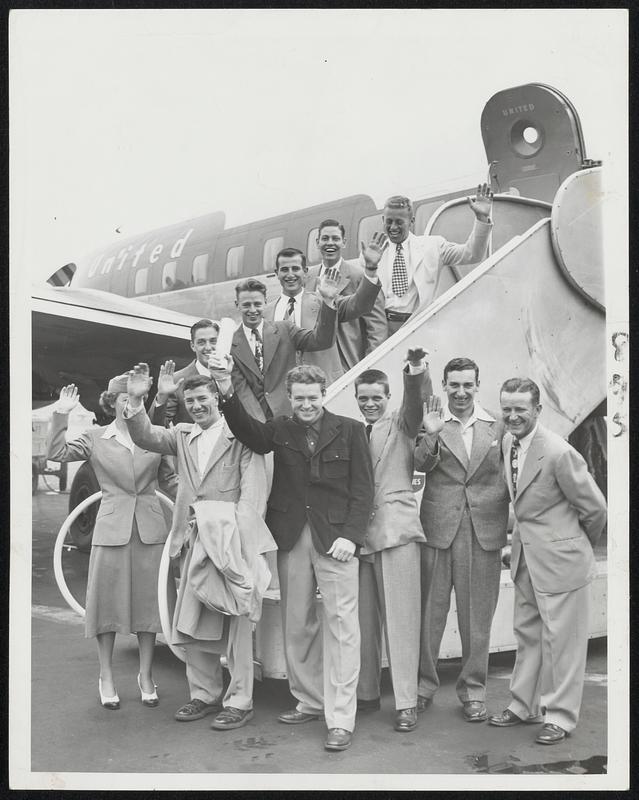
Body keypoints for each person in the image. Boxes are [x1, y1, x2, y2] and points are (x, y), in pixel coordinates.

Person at [210, 357, 374, 752]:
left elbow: (364, 491)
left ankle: (340, 718)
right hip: (291, 535)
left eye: (312, 397)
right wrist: (226, 390)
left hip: (336, 539)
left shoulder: (351, 431)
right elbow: (247, 431)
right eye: (299, 398)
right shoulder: (280, 428)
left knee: (342, 628)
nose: (305, 405)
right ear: (289, 397)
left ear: (324, 394)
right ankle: (310, 700)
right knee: (296, 623)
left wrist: (352, 536)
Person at [123, 366, 276, 732]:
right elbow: (145, 436)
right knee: (195, 619)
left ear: (217, 402)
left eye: (202, 399)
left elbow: (253, 495)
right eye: (189, 401)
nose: (196, 406)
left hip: (231, 542)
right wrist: (137, 398)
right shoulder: (182, 435)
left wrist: (236, 539)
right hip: (193, 538)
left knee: (238, 622)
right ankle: (204, 694)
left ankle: (239, 701)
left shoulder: (241, 437)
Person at [47, 378, 178, 710]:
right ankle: (106, 674)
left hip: (150, 527)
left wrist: (198, 507)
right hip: (111, 528)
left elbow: (171, 480)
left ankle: (145, 675)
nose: (129, 403)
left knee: (149, 605)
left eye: (136, 397)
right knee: (107, 604)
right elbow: (57, 453)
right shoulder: (95, 437)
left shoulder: (152, 436)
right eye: (123, 397)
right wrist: (60, 414)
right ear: (111, 401)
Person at [488, 378, 607, 745]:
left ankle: (560, 716)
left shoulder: (558, 452)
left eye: (520, 409)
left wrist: (571, 546)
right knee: (528, 634)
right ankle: (524, 704)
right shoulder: (508, 441)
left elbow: (595, 509)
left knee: (564, 643)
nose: (512, 416)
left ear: (538, 410)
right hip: (527, 559)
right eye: (507, 408)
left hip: (561, 562)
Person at [414, 357, 509, 722]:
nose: (460, 392)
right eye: (454, 384)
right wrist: (433, 433)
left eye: (467, 384)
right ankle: (422, 687)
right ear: (444, 384)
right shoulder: (434, 420)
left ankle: (473, 691)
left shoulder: (497, 425)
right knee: (429, 615)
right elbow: (419, 463)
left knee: (477, 619)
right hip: (438, 529)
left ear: (477, 384)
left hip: (483, 531)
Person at [354, 349, 432, 733]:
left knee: (401, 623)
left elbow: (414, 404)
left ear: (387, 398)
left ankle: (406, 702)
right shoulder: (354, 431)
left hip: (397, 532)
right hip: (360, 538)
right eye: (363, 398)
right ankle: (366, 693)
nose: (370, 404)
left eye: (376, 398)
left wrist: (414, 372)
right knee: (363, 622)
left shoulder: (402, 424)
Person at [370, 187, 493, 334]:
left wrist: (481, 219)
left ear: (411, 221)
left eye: (399, 222)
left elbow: (472, 254)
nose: (393, 227)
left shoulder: (433, 246)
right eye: (389, 221)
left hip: (420, 327)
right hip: (384, 331)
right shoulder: (373, 254)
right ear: (383, 220)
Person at [265, 244, 385, 385]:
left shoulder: (325, 301)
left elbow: (359, 304)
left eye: (296, 269)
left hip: (325, 388)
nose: (290, 274)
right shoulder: (266, 313)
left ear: (305, 272)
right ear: (276, 273)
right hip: (285, 395)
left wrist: (370, 270)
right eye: (284, 270)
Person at [229, 270, 340, 421]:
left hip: (293, 417)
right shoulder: (231, 343)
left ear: (265, 303)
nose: (253, 310)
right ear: (237, 305)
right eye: (246, 305)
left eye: (257, 304)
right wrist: (260, 426)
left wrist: (327, 302)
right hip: (258, 422)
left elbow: (321, 340)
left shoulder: (285, 329)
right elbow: (242, 390)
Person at [306, 219, 388, 370]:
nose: (330, 243)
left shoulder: (359, 277)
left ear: (343, 242)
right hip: (314, 365)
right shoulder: (308, 277)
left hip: (346, 364)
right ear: (317, 242)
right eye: (325, 238)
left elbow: (377, 328)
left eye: (335, 239)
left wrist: (369, 367)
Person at [150, 319, 219, 426]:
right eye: (201, 342)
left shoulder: (232, 376)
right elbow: (157, 428)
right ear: (192, 345)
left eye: (213, 341)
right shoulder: (177, 381)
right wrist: (162, 396)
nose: (208, 347)